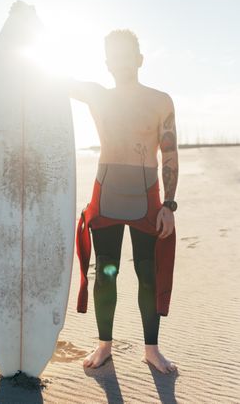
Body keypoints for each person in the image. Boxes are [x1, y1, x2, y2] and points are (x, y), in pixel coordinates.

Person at [64, 29, 179, 374]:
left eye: (126, 54)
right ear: (106, 63)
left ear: (139, 59)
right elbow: (53, 82)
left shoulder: (161, 100)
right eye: (113, 55)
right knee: (106, 272)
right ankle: (104, 346)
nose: (120, 61)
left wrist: (169, 205)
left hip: (147, 197)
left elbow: (170, 153)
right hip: (107, 191)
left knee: (148, 273)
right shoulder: (97, 95)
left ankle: (151, 350)